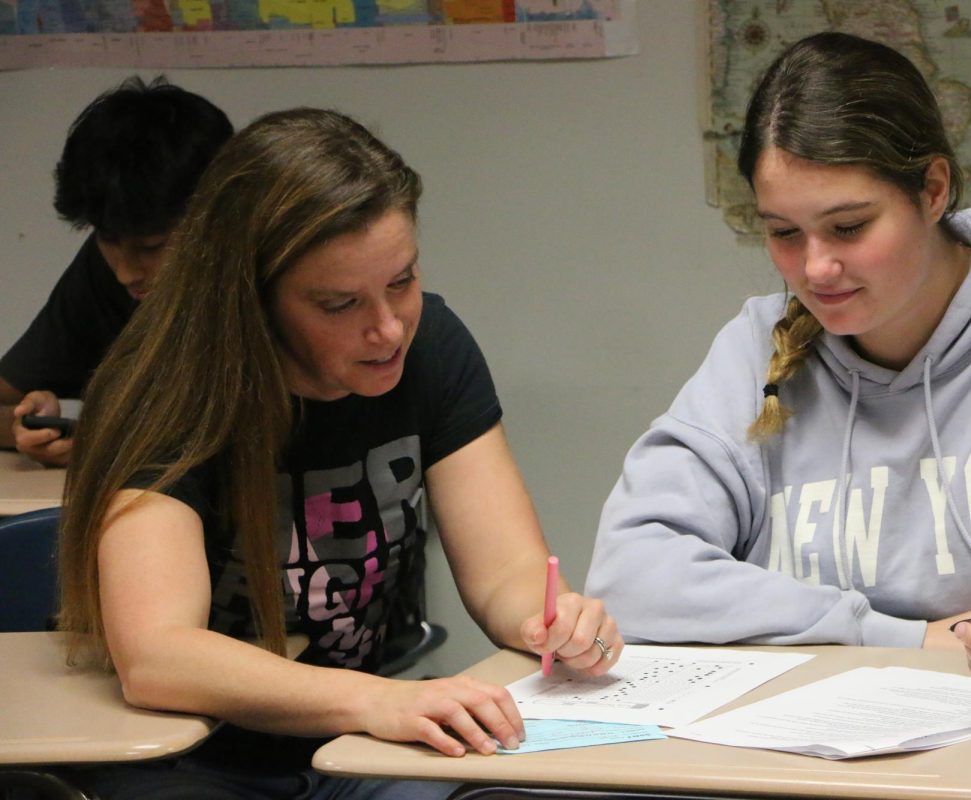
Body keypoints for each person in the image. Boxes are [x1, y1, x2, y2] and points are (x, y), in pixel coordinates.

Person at [586, 32, 971, 800]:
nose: (815, 269)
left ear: (933, 189)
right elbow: (633, 570)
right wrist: (896, 638)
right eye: (783, 233)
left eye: (849, 227)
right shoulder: (758, 346)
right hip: (826, 760)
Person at [56, 107, 624, 799]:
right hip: (193, 758)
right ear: (253, 303)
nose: (388, 329)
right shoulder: (167, 390)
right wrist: (376, 701)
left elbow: (506, 569)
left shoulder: (433, 347)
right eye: (337, 304)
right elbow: (158, 655)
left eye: (402, 282)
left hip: (358, 746)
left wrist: (552, 620)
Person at [0, 76, 233, 466]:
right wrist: (29, 427)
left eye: (152, 246)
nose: (126, 274)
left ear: (220, 218)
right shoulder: (102, 273)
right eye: (108, 240)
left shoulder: (278, 276)